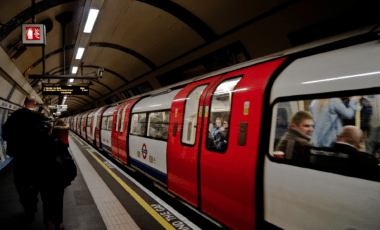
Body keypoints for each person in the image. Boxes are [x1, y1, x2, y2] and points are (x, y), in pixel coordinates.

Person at [2, 96, 57, 227]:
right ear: (35, 104)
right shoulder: (41, 117)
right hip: (41, 161)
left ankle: (29, 208)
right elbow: (50, 139)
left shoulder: (14, 117)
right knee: (45, 188)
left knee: (23, 187)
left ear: (25, 103)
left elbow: (4, 135)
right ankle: (48, 218)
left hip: (21, 161)